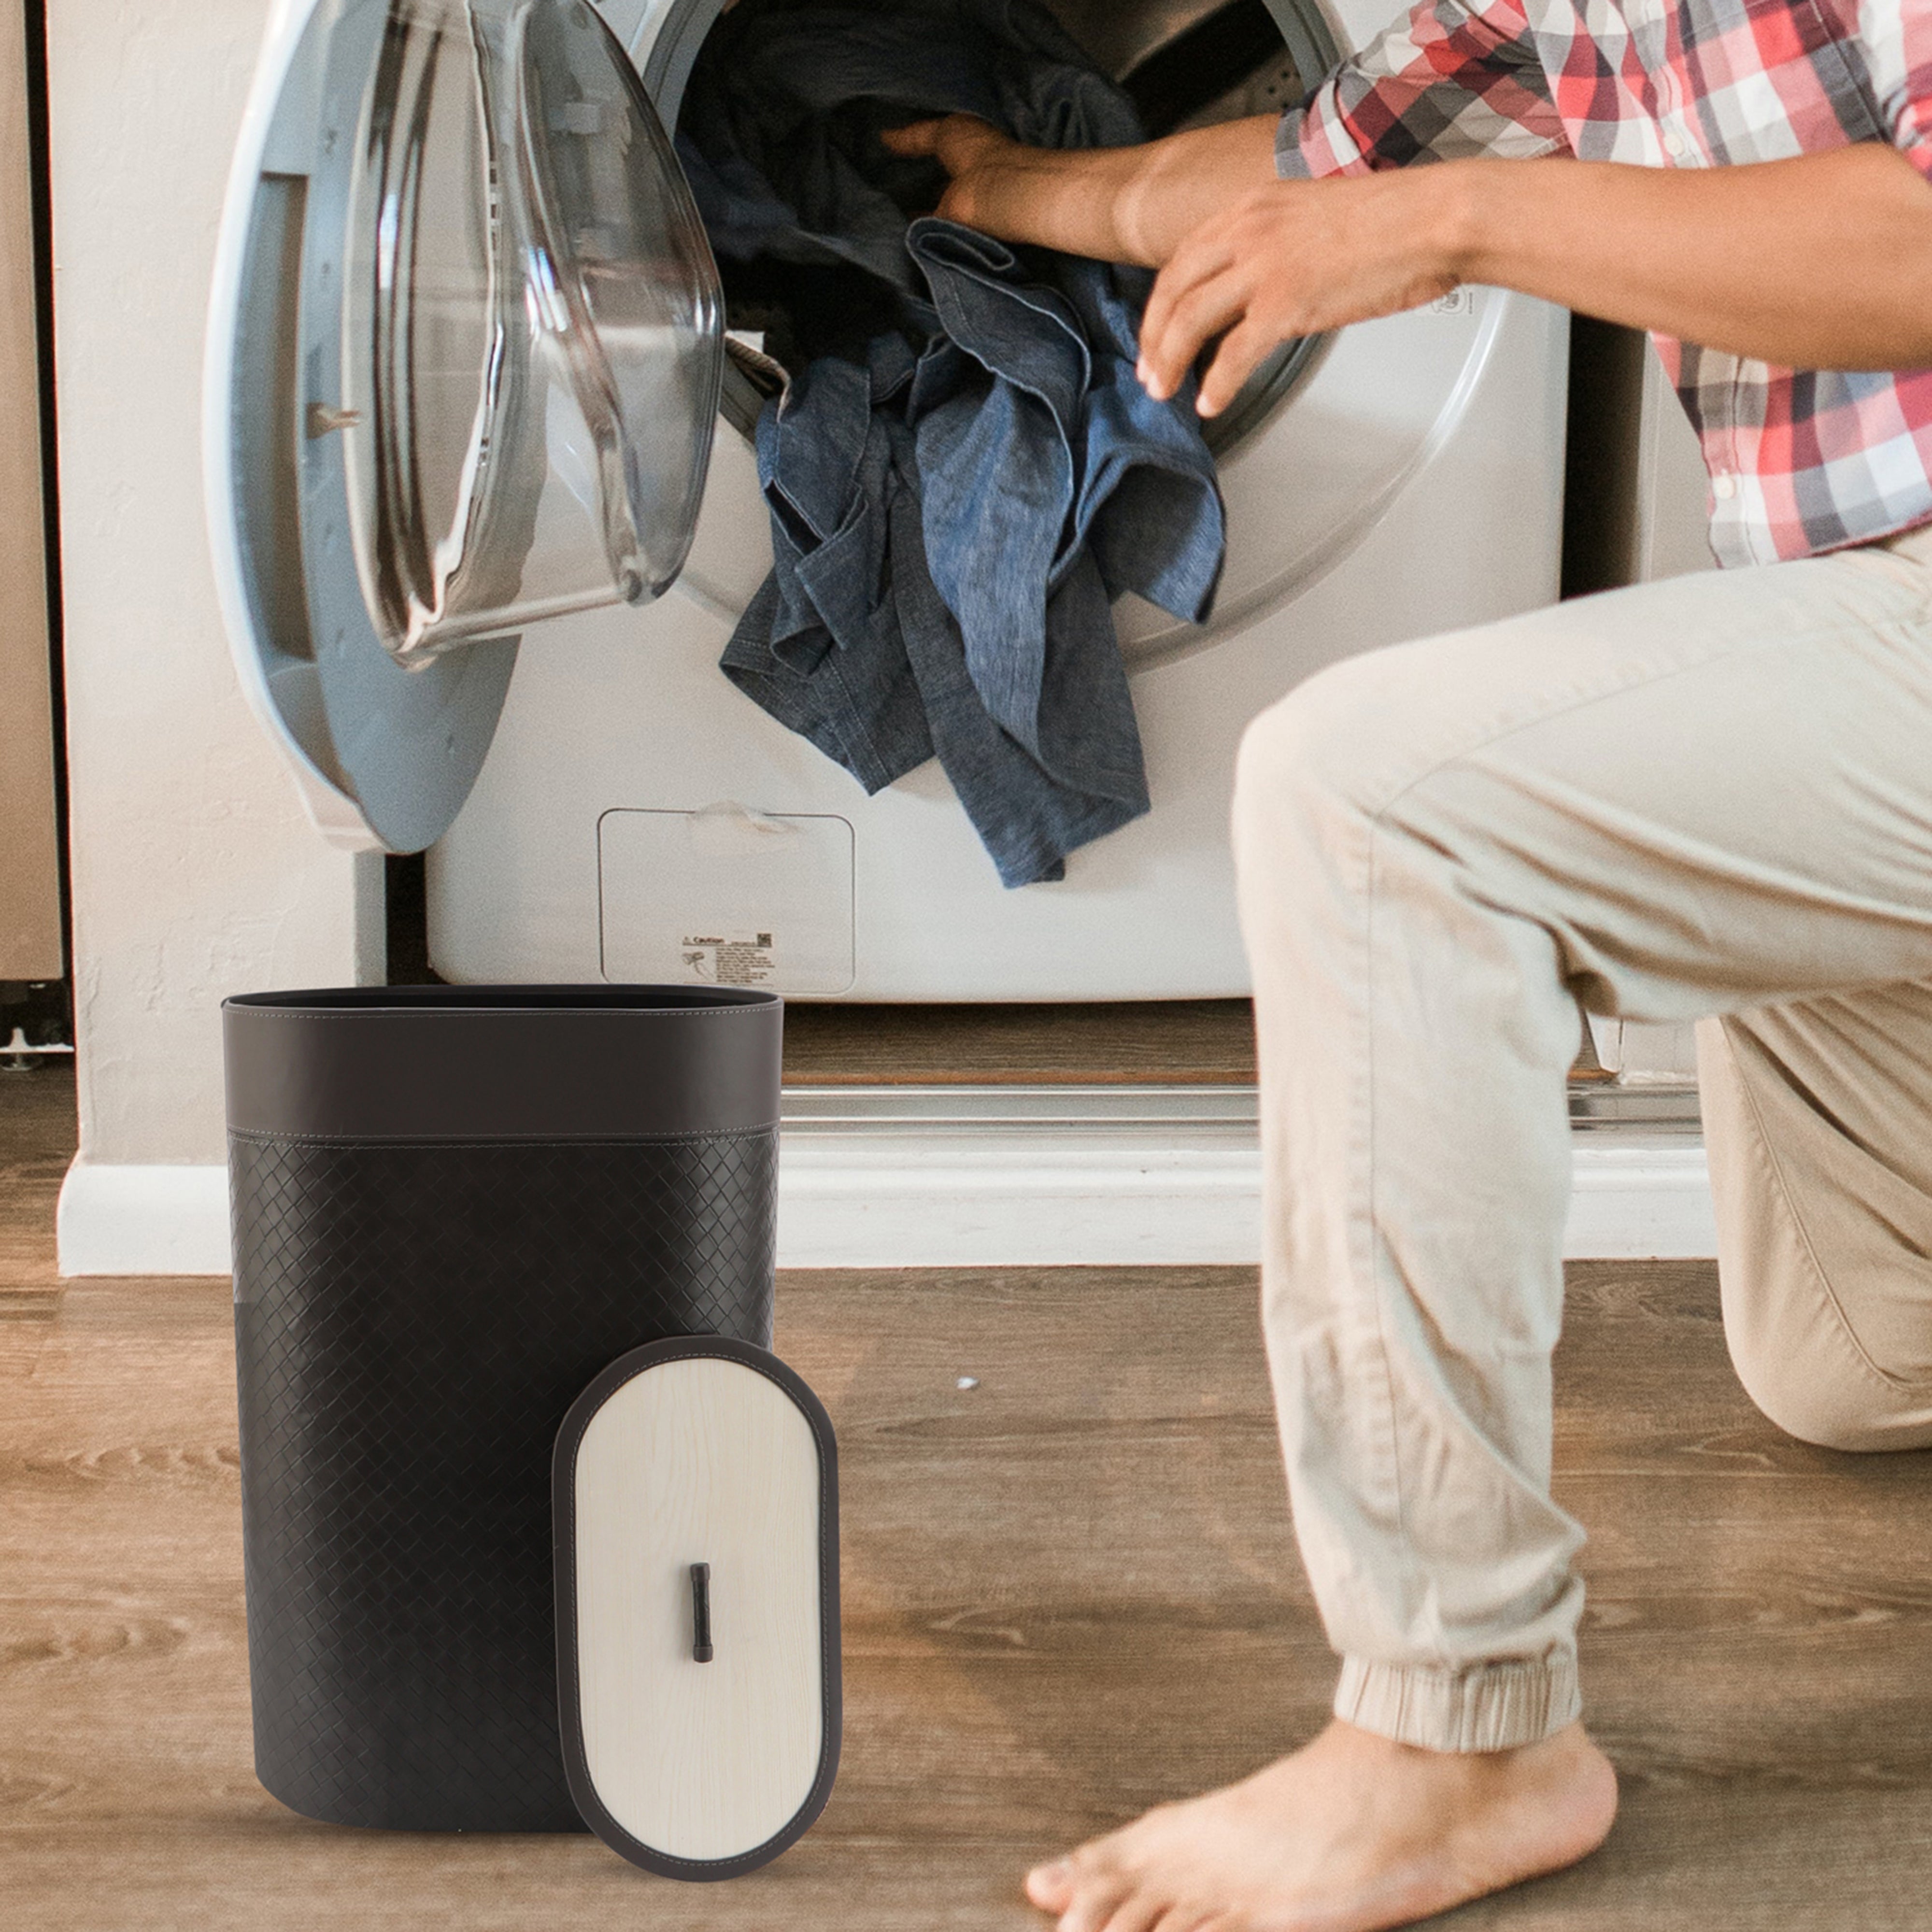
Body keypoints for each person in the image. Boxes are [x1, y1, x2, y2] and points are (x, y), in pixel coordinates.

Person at [886, 4, 1932, 1928]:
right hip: (1864, 632)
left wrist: (1460, 227)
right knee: (1854, 1353)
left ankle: (1459, 1731)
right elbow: (1312, 184)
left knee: (1376, 804)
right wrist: (999, 188)